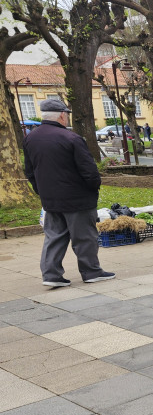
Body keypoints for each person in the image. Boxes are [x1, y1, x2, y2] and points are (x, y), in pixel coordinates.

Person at [24, 98, 115, 287]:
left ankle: (51, 275)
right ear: (62, 116)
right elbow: (89, 171)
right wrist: (93, 188)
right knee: (84, 237)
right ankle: (91, 271)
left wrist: (41, 191)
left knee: (54, 236)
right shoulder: (71, 138)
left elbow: (30, 171)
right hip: (77, 198)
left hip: (50, 199)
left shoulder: (30, 138)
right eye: (66, 115)